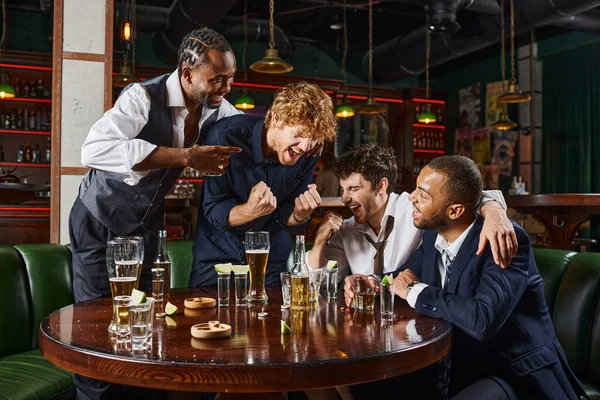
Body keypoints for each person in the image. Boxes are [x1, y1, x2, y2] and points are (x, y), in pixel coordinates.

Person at [68, 27, 242, 400]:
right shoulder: (141, 97)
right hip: (99, 218)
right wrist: (186, 156)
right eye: (217, 80)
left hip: (143, 225)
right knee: (97, 325)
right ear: (186, 73)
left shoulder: (217, 106)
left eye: (230, 80)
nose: (225, 89)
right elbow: (93, 151)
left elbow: (246, 129)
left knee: (145, 321)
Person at [366, 156, 587, 399]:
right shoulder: (432, 237)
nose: (412, 197)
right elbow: (401, 277)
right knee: (368, 386)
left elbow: (482, 320)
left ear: (455, 211)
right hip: (459, 366)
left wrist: (414, 290)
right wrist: (370, 283)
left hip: (514, 373)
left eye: (423, 194)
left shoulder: (503, 240)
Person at [191, 81, 337, 287]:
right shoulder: (224, 136)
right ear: (276, 119)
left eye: (312, 138)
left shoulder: (309, 152)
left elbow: (285, 215)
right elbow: (213, 208)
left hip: (270, 266)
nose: (305, 146)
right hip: (217, 263)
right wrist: (250, 210)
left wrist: (299, 214)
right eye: (298, 135)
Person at [308, 144, 517, 284]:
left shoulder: (415, 209)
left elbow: (461, 196)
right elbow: (323, 283)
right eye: (342, 190)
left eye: (353, 189)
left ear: (381, 186)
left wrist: (494, 211)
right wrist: (318, 242)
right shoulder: (345, 230)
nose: (344, 198)